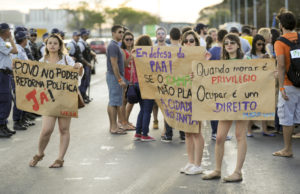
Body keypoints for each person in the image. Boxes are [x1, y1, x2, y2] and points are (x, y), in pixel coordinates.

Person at [28, 34, 82, 168]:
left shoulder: (66, 59)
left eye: (55, 43)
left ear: (59, 46)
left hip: (65, 98)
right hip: (48, 99)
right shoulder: (42, 61)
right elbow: (33, 79)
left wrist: (79, 66)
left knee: (64, 129)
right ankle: (40, 153)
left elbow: (79, 75)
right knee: (46, 129)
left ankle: (60, 159)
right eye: (50, 43)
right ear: (46, 46)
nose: (52, 45)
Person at [202, 33, 248, 182]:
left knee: (240, 136)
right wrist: (196, 76)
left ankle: (238, 172)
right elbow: (211, 79)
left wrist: (270, 73)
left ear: (238, 45)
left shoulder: (245, 60)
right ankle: (217, 170)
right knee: (220, 137)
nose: (229, 44)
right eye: (226, 43)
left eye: (232, 42)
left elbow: (257, 77)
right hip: (226, 103)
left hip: (242, 102)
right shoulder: (222, 62)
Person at [273, 8, 299, 158]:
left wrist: (281, 86)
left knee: (287, 118)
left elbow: (281, 65)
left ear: (281, 25)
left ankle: (288, 149)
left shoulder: (280, 42)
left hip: (289, 84)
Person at [179, 30, 205, 175]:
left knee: (196, 131)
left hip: (197, 97)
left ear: (196, 42)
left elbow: (208, 76)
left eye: (191, 40)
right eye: (186, 41)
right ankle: (190, 162)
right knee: (187, 131)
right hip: (183, 98)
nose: (189, 43)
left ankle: (198, 164)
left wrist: (198, 75)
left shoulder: (202, 57)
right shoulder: (179, 58)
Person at [245, 34, 276, 137]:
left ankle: (265, 129)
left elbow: (271, 68)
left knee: (265, 107)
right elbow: (246, 69)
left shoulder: (266, 53)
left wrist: (269, 59)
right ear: (254, 44)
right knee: (252, 108)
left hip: (264, 83)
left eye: (263, 44)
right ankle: (249, 130)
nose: (261, 46)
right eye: (259, 44)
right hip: (252, 85)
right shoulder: (248, 55)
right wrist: (260, 60)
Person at [161, 27, 185, 143]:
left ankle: (168, 134)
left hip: (169, 84)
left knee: (169, 109)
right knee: (181, 108)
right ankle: (183, 134)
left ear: (169, 37)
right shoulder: (185, 51)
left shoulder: (165, 51)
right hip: (182, 84)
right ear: (180, 37)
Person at [207, 29, 232, 141]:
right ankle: (221, 133)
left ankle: (215, 132)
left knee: (215, 109)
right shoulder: (226, 51)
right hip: (225, 84)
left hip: (213, 83)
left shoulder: (211, 50)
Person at [133, 35, 156, 142]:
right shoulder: (150, 56)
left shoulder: (135, 54)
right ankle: (145, 134)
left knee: (142, 109)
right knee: (147, 110)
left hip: (137, 84)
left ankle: (138, 132)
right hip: (147, 84)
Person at [106, 25, 127, 135]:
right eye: (119, 32)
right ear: (113, 33)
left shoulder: (116, 45)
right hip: (114, 76)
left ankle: (114, 125)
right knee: (113, 102)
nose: (122, 34)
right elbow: (114, 64)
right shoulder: (113, 46)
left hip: (114, 76)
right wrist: (120, 80)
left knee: (114, 101)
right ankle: (113, 127)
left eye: (122, 32)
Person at [0, 23, 18, 138]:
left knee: (6, 99)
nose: (10, 33)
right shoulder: (1, 43)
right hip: (1, 75)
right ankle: (1, 126)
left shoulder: (2, 43)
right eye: (9, 31)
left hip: (5, 74)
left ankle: (3, 125)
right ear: (4, 31)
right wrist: (11, 39)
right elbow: (15, 50)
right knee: (4, 99)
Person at [11, 31, 30, 131]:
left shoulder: (21, 49)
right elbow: (14, 64)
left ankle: (22, 119)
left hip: (23, 78)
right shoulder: (17, 49)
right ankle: (17, 122)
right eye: (26, 38)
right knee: (19, 99)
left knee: (23, 99)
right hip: (18, 78)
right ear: (23, 40)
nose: (27, 40)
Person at [120, 31, 136, 130]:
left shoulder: (134, 50)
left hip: (133, 79)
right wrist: (131, 56)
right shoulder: (122, 50)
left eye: (131, 39)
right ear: (123, 40)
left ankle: (126, 120)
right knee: (124, 102)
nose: (129, 41)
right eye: (127, 39)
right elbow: (124, 65)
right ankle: (123, 122)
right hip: (125, 78)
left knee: (131, 100)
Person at [152, 27, 168, 129]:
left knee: (166, 103)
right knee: (155, 102)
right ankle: (155, 120)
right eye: (159, 33)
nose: (161, 35)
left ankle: (166, 125)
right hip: (155, 79)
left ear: (165, 35)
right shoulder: (152, 49)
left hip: (167, 79)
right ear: (156, 35)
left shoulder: (170, 48)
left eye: (162, 33)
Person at [78, 29, 96, 103]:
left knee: (87, 81)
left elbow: (88, 52)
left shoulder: (84, 43)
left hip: (87, 65)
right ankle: (82, 96)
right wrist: (87, 63)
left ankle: (84, 95)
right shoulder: (80, 44)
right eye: (86, 34)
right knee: (83, 81)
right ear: (83, 35)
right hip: (84, 65)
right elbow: (81, 57)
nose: (88, 35)